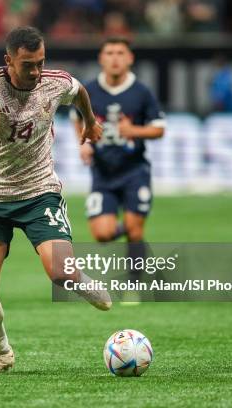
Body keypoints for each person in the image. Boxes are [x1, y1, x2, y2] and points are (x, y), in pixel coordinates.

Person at [0, 26, 111, 375]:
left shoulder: (55, 81)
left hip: (38, 191)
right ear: (8, 61)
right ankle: (1, 352)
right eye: (27, 65)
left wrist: (89, 122)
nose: (35, 72)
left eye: (40, 63)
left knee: (60, 272)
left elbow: (79, 92)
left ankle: (77, 277)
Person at [72, 37, 165, 303]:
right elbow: (76, 118)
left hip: (135, 171)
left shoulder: (141, 92)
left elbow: (159, 128)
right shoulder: (87, 91)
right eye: (109, 52)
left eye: (120, 53)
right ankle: (135, 231)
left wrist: (133, 130)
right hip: (103, 173)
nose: (114, 58)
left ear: (129, 58)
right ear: (101, 58)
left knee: (135, 231)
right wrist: (83, 144)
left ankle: (134, 285)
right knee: (101, 234)